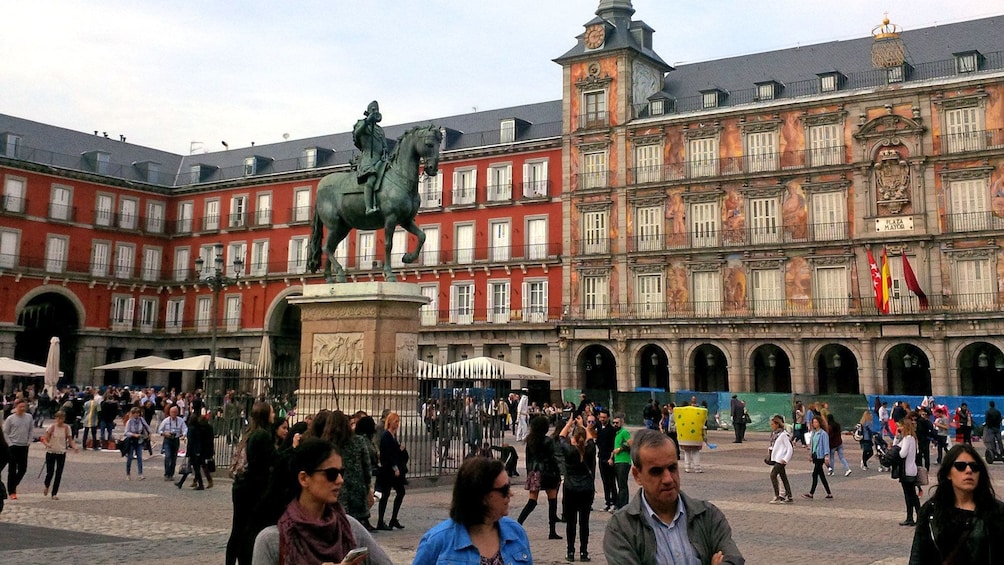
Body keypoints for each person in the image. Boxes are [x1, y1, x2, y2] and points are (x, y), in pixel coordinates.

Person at [603, 428, 744, 565]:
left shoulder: (708, 516)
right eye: (656, 471)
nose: (668, 479)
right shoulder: (621, 528)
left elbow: (733, 558)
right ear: (637, 475)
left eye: (672, 468)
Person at [251, 437, 392, 565]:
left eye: (341, 473)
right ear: (304, 478)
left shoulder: (350, 527)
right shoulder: (272, 540)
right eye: (331, 474)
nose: (340, 480)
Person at [414, 456, 533, 565]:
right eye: (504, 489)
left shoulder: (516, 533)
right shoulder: (437, 541)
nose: (510, 494)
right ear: (482, 496)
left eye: (509, 486)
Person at [909, 444, 1004, 563]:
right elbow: (918, 557)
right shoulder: (931, 511)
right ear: (948, 473)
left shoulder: (997, 511)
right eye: (960, 466)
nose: (969, 471)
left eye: (974, 467)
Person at [227, 401, 276, 565]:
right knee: (247, 529)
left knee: (238, 529)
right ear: (265, 415)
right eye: (272, 412)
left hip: (241, 486)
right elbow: (267, 462)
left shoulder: (250, 432)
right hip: (251, 488)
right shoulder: (263, 435)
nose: (274, 415)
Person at [517, 415, 563, 539]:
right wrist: (558, 473)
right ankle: (552, 531)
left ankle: (518, 523)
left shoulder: (530, 440)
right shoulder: (548, 441)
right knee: (552, 501)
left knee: (532, 501)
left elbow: (528, 460)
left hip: (534, 472)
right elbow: (552, 458)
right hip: (548, 472)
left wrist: (529, 474)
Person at [559, 415, 597, 561]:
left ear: (573, 439)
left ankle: (570, 552)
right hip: (586, 488)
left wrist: (569, 423)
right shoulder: (590, 449)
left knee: (571, 522)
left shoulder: (569, 450)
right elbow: (591, 439)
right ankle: (584, 552)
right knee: (584, 522)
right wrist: (583, 426)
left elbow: (561, 436)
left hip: (570, 488)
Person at [353, 100, 387, 215]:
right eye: (374, 110)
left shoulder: (379, 130)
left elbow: (384, 145)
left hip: (381, 158)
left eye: (377, 110)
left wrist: (385, 151)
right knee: (371, 179)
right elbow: (357, 134)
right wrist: (367, 121)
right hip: (368, 157)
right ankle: (368, 207)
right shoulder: (361, 124)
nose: (376, 112)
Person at [375, 411, 407, 531]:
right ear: (390, 422)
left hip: (393, 470)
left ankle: (393, 518)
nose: (397, 424)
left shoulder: (393, 436)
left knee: (400, 492)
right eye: (395, 421)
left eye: (398, 422)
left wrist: (401, 449)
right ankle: (381, 520)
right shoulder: (386, 436)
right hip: (389, 470)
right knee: (386, 494)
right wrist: (395, 467)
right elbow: (387, 454)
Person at [40, 410, 77, 500]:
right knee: (50, 472)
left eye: (62, 418)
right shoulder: (52, 427)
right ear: (56, 418)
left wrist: (74, 447)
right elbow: (44, 438)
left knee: (59, 473)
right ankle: (47, 485)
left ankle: (54, 493)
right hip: (51, 452)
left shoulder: (67, 428)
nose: (60, 420)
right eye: (58, 418)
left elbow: (70, 439)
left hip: (61, 452)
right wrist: (47, 444)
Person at [2, 399, 32, 500]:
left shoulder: (29, 417)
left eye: (24, 407)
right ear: (16, 407)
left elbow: (30, 430)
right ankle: (12, 491)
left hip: (24, 446)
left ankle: (13, 485)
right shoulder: (10, 419)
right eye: (20, 407)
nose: (22, 409)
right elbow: (5, 432)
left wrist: (29, 441)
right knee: (12, 469)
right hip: (13, 445)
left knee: (23, 469)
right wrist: (9, 444)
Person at [176, 413, 213, 490]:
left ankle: (200, 484)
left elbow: (191, 441)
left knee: (194, 468)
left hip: (194, 451)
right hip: (198, 451)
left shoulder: (192, 429)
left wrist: (189, 452)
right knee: (193, 467)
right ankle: (181, 482)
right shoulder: (198, 428)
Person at [897, 416, 922, 526]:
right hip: (912, 469)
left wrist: (897, 439)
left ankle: (911, 517)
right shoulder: (913, 439)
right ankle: (916, 516)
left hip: (906, 470)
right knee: (912, 495)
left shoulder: (907, 439)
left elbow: (902, 453)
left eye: (901, 426)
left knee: (909, 495)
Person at [803, 415, 832, 499]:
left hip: (820, 456)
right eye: (813, 422)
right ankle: (829, 493)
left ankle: (811, 493)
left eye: (816, 422)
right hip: (815, 455)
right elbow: (812, 445)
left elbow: (826, 445)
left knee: (815, 474)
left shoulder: (823, 433)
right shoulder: (814, 433)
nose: (814, 424)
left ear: (819, 423)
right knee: (821, 475)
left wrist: (826, 456)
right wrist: (810, 454)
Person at [594, 409, 617, 512]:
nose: (602, 419)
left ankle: (614, 502)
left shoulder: (612, 430)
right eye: (601, 417)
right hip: (601, 456)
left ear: (608, 418)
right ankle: (607, 502)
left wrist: (611, 458)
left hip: (609, 458)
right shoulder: (598, 427)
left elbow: (613, 445)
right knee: (605, 481)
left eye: (604, 417)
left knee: (611, 481)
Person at [158, 404, 188, 481]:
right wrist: (165, 433)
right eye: (172, 412)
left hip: (175, 439)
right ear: (170, 412)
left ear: (177, 413)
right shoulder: (166, 420)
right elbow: (160, 430)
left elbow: (185, 429)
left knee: (174, 457)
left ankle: (171, 474)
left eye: (175, 412)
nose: (173, 414)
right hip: (167, 439)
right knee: (167, 456)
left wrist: (183, 435)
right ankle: (166, 473)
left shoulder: (180, 420)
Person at [768, 415, 793, 504]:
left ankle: (777, 495)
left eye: (773, 424)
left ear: (777, 424)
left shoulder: (783, 435)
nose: (771, 426)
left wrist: (785, 459)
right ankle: (789, 495)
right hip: (775, 458)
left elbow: (789, 448)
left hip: (780, 459)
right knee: (783, 477)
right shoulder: (774, 434)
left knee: (773, 475)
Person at [123, 406, 150, 480]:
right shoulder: (129, 421)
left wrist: (149, 433)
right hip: (131, 441)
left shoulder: (141, 420)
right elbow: (126, 433)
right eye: (135, 413)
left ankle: (140, 474)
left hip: (139, 441)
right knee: (130, 457)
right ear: (132, 414)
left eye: (138, 413)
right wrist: (134, 434)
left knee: (139, 457)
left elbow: (147, 426)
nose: (137, 415)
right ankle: (128, 474)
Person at [611, 413, 632, 507]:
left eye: (617, 423)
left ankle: (623, 505)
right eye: (614, 423)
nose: (615, 424)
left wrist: (620, 449)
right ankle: (620, 504)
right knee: (619, 484)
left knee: (622, 485)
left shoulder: (624, 432)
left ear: (622, 423)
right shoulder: (616, 434)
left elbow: (631, 443)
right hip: (617, 461)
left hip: (624, 461)